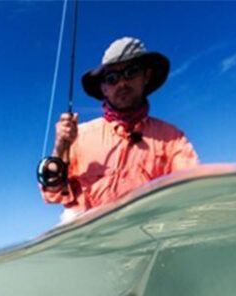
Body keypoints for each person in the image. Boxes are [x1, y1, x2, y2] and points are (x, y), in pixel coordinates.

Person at [40, 37, 199, 221]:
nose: (122, 83)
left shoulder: (173, 138)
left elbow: (190, 191)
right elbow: (53, 194)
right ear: (104, 88)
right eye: (112, 78)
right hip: (90, 239)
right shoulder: (78, 136)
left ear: (146, 77)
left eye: (131, 72)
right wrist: (59, 148)